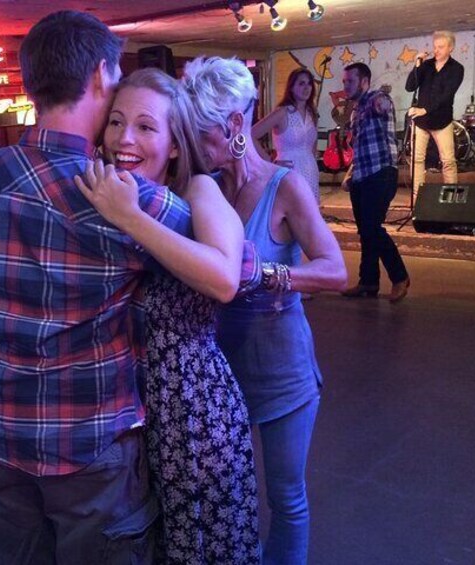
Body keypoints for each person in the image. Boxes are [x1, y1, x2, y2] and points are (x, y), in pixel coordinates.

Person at [0, 11, 194, 564]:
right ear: (103, 75)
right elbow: (232, 267)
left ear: (32, 81)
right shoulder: (127, 198)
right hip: (89, 442)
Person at [74, 67, 261, 563]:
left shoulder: (199, 189)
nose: (124, 138)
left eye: (145, 126)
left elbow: (223, 278)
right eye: (115, 122)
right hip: (122, 417)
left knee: (200, 550)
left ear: (175, 144)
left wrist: (130, 217)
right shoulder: (103, 189)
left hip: (190, 412)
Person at [182, 56, 347, 565]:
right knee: (230, 499)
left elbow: (335, 271)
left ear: (234, 125)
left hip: (281, 373)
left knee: (286, 498)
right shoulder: (202, 189)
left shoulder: (285, 186)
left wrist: (269, 275)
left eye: (200, 134)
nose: (194, 147)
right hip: (220, 377)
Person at [340, 62, 411, 302]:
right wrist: (351, 175)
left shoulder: (376, 100)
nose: (346, 86)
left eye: (350, 81)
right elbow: (360, 147)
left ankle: (400, 276)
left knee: (372, 227)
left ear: (364, 81)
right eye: (344, 82)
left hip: (381, 174)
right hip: (362, 176)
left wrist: (383, 98)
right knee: (365, 232)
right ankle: (368, 281)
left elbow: (383, 104)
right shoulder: (355, 110)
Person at [405, 30, 464, 201]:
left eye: (441, 47)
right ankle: (417, 200)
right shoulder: (427, 65)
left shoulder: (457, 69)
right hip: (421, 121)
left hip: (442, 121)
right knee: (417, 160)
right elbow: (410, 87)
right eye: (435, 47)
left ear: (450, 48)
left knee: (448, 161)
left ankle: (452, 198)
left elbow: (446, 95)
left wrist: (426, 109)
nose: (436, 50)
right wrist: (417, 65)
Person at [251, 68, 320, 203]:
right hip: (289, 170)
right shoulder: (282, 113)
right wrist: (269, 161)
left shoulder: (312, 113)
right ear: (292, 88)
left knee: (309, 216)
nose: (306, 88)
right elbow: (251, 134)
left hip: (310, 170)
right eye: (301, 84)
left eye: (309, 84)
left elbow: (312, 145)